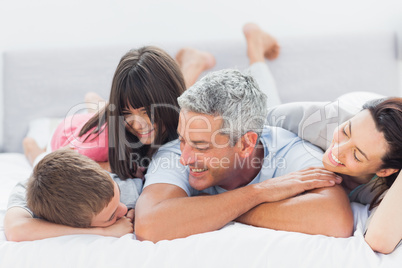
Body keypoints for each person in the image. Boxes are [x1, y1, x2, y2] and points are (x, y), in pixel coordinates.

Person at [134, 67, 353, 242]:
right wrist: (259, 193)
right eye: (183, 140)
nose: (185, 158)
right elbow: (149, 225)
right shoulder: (172, 153)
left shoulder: (291, 150)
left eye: (201, 147)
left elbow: (336, 220)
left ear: (246, 144)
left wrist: (216, 208)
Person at [23, 45, 216, 180]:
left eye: (147, 111)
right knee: (41, 160)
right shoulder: (99, 144)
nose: (138, 123)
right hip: (68, 133)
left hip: (112, 117)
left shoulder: (173, 110)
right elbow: (62, 165)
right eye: (128, 112)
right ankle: (32, 146)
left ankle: (194, 62)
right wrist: (116, 167)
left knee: (176, 104)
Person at [266, 95, 402, 254]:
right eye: (346, 131)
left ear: (384, 171)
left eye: (356, 155)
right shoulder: (318, 119)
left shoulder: (385, 190)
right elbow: (248, 122)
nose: (338, 150)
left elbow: (379, 241)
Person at [4, 149, 143, 242]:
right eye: (111, 216)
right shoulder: (26, 192)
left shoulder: (117, 184)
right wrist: (104, 232)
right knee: (34, 153)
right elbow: (16, 230)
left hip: (64, 155)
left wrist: (140, 209)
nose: (124, 209)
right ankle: (30, 144)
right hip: (46, 171)